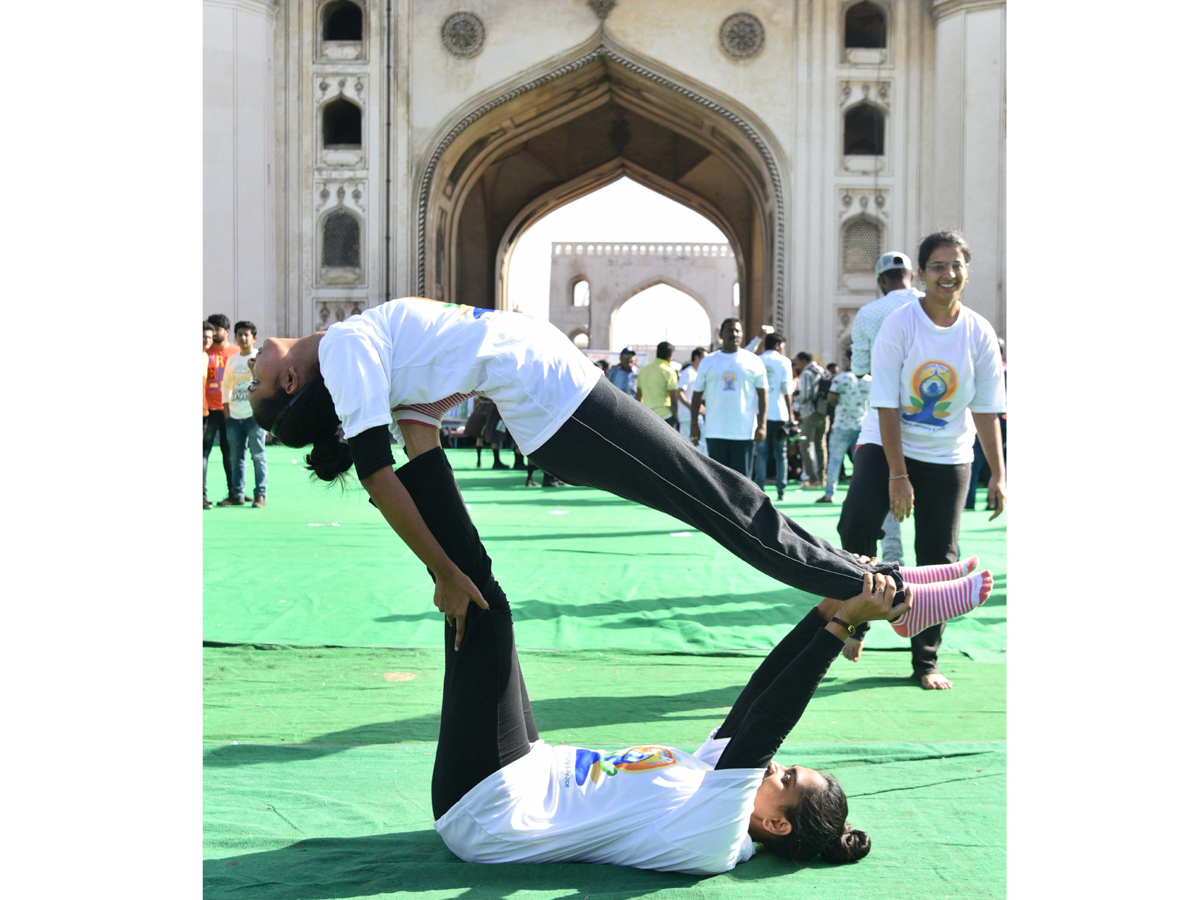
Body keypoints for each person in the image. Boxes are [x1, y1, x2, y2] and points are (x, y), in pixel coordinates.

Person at [248, 297, 986, 648]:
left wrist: (463, 565)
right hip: (564, 407)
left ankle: (877, 589)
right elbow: (384, 479)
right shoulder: (346, 351)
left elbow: (422, 449)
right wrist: (443, 569)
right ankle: (881, 592)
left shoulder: (371, 355)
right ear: (290, 384)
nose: (251, 364)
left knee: (722, 499)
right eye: (255, 379)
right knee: (724, 501)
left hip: (559, 401)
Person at [386, 446, 990, 874]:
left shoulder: (717, 835)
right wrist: (831, 611)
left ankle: (419, 442)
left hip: (488, 807)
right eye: (787, 769)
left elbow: (769, 721)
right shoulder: (719, 787)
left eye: (785, 780)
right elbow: (759, 693)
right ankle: (893, 592)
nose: (777, 767)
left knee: (483, 606)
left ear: (776, 825)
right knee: (490, 611)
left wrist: (841, 626)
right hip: (524, 770)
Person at [836, 231, 1007, 690]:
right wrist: (897, 475)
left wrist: (1000, 475)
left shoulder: (979, 331)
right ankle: (857, 623)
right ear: (922, 273)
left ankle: (925, 662)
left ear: (966, 270)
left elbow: (988, 409)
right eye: (937, 266)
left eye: (956, 266)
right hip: (886, 442)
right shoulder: (900, 324)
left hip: (948, 454)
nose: (947, 275)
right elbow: (887, 404)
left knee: (938, 557)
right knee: (856, 525)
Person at [847, 250, 926, 569]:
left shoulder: (869, 312)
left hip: (885, 418)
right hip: (934, 419)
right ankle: (939, 575)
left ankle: (893, 567)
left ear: (882, 280)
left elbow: (860, 367)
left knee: (890, 488)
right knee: (937, 506)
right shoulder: (929, 305)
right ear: (913, 274)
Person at [690, 319, 767, 479]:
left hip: (743, 432)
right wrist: (694, 424)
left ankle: (742, 506)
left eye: (738, 331)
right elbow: (696, 395)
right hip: (715, 431)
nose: (734, 334)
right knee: (717, 481)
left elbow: (762, 394)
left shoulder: (753, 361)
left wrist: (762, 425)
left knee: (742, 482)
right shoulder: (708, 361)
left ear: (743, 334)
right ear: (721, 334)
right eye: (730, 331)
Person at [218, 321, 268, 507]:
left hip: (254, 417)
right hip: (234, 417)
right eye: (239, 334)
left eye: (247, 334)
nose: (243, 338)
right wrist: (227, 412)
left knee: (258, 456)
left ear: (254, 338)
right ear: (235, 337)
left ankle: (260, 495)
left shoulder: (260, 359)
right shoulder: (232, 360)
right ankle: (237, 494)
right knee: (236, 457)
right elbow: (227, 387)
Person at [816, 350, 871, 505]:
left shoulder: (840, 379)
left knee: (835, 460)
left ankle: (829, 494)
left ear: (848, 359)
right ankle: (862, 495)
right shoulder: (871, 381)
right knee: (860, 463)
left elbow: (831, 398)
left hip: (842, 425)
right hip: (862, 425)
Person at [753, 332, 795, 501]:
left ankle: (760, 489)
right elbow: (786, 388)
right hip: (780, 414)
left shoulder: (758, 360)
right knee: (780, 454)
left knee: (761, 453)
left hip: (760, 414)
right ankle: (781, 490)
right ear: (778, 344)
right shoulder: (784, 362)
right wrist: (791, 413)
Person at [203, 313, 238, 509]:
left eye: (218, 329)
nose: (215, 332)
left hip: (229, 410)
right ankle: (202, 494)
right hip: (207, 410)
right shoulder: (204, 352)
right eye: (212, 328)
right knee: (204, 452)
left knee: (230, 452)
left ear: (226, 331)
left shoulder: (235, 352)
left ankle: (234, 491)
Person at [794, 352, 829, 489]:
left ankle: (812, 479)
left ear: (803, 360)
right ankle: (822, 478)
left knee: (805, 445)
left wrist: (795, 397)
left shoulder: (807, 373)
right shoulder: (822, 370)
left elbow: (806, 395)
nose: (796, 365)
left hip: (809, 412)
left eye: (797, 362)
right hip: (823, 412)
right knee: (821, 445)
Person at [636, 341, 678, 426]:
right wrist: (676, 417)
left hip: (647, 416)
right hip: (665, 416)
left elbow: (638, 396)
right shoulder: (669, 371)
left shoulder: (643, 370)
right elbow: (673, 400)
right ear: (670, 356)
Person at [675, 347, 707, 453]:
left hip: (695, 416)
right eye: (704, 357)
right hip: (687, 417)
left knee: (699, 446)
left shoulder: (697, 372)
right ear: (696, 357)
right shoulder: (688, 372)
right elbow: (679, 392)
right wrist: (692, 407)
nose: (706, 361)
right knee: (687, 448)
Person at [202, 322, 216, 509]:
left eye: (209, 337)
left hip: (203, 412)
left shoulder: (205, 357)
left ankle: (201, 494)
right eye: (204, 336)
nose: (207, 341)